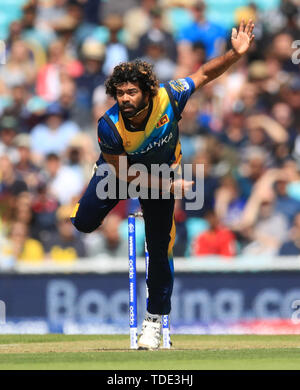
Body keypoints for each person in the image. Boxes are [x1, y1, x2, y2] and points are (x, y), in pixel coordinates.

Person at [71, 20, 255, 350]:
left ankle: (154, 322)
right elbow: (124, 174)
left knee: (159, 247)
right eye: (120, 93)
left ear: (147, 92)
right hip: (121, 173)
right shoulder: (109, 127)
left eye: (132, 92)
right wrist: (168, 187)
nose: (124, 99)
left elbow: (205, 73)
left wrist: (235, 53)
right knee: (83, 223)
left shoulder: (169, 97)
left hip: (159, 179)